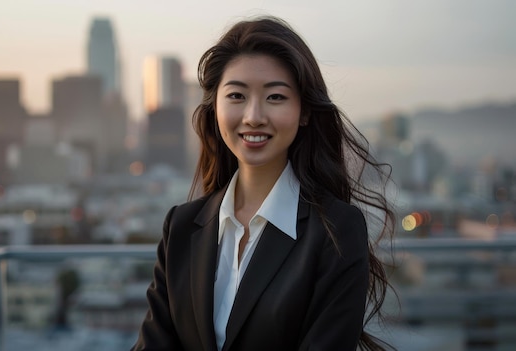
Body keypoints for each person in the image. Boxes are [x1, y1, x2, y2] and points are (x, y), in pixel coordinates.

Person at [132, 16, 394, 351]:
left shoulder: (336, 231)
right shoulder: (182, 227)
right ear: (215, 108)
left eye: (275, 97)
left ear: (304, 112)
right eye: (237, 95)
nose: (254, 115)